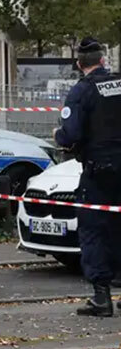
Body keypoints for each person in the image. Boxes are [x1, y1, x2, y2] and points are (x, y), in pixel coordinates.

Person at [54, 37, 121, 317]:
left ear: (79, 64)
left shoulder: (82, 92)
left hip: (100, 171)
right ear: (103, 61)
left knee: (94, 229)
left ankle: (102, 298)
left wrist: (59, 136)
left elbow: (70, 136)